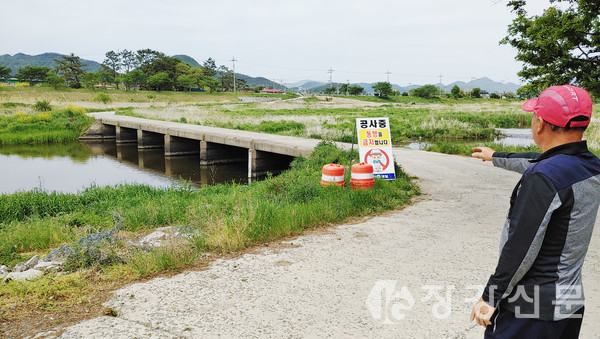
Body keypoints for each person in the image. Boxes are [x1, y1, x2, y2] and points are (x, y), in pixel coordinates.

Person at [469, 85, 600, 338]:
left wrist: (490, 296)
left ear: (539, 123)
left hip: (532, 308)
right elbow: (541, 160)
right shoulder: (590, 166)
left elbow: (522, 245)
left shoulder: (543, 177)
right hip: (569, 305)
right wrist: (496, 156)